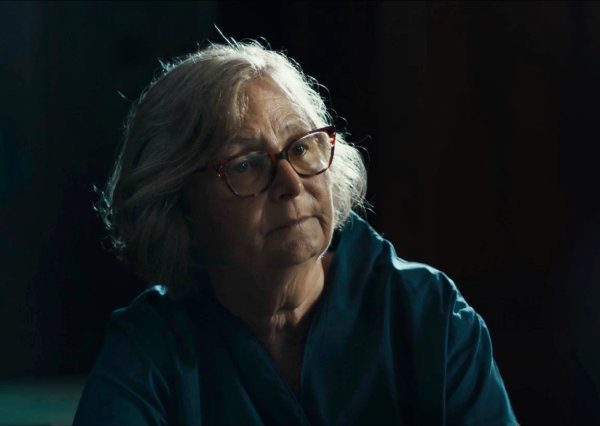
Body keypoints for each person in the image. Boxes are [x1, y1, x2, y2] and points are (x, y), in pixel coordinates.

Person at [74, 39, 518, 425]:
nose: (290, 183)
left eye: (301, 147)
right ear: (179, 204)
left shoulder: (427, 314)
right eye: (246, 164)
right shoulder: (149, 346)